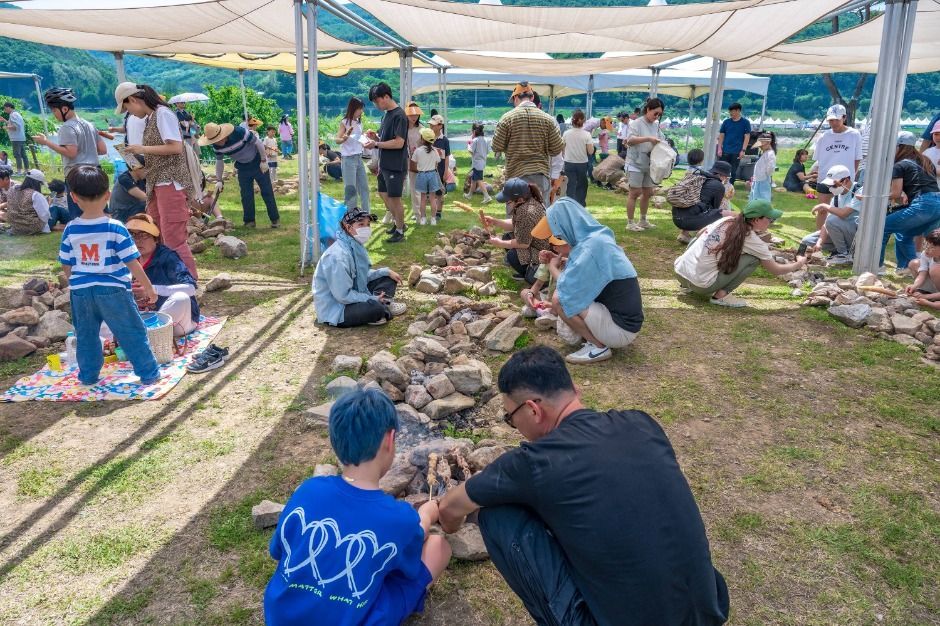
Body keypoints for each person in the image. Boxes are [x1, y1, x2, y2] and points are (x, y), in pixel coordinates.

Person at [438, 346, 729, 625]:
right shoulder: (641, 423)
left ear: (532, 410)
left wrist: (447, 528)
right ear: (574, 389)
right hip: (707, 610)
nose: (514, 428)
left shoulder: (535, 463)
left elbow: (452, 508)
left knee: (497, 516)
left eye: (510, 418)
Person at [264, 389, 451, 626]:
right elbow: (415, 540)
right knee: (438, 546)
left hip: (282, 616)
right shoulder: (398, 518)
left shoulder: (308, 490)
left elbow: (278, 552)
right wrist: (426, 514)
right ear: (389, 440)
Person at [58, 165, 160, 386]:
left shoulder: (71, 229)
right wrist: (149, 287)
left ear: (74, 197)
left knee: (86, 336)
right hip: (113, 291)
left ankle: (88, 376)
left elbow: (66, 264)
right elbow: (132, 262)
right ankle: (149, 373)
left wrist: (73, 282)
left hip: (81, 292)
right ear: (108, 195)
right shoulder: (115, 227)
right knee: (131, 332)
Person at [530, 198, 644, 364]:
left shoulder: (591, 247)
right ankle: (596, 338)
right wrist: (560, 260)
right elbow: (589, 270)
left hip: (621, 330)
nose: (557, 235)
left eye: (556, 230)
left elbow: (567, 287)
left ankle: (598, 347)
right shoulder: (596, 238)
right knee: (564, 298)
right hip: (626, 323)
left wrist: (552, 266)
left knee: (560, 299)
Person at [116, 82, 199, 279]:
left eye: (127, 108)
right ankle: (169, 276)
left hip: (170, 182)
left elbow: (175, 147)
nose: (130, 113)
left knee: (174, 238)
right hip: (158, 183)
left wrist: (142, 149)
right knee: (158, 233)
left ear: (134, 100)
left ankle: (189, 281)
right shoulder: (153, 117)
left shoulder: (163, 114)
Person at [675, 199, 808, 308]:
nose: (771, 223)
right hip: (701, 286)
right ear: (756, 220)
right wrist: (799, 263)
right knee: (753, 259)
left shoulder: (725, 220)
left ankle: (685, 285)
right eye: (770, 219)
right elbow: (776, 270)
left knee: (701, 239)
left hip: (679, 273)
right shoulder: (751, 239)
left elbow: (698, 234)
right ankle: (720, 296)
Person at [312, 207, 407, 327]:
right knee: (376, 308)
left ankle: (382, 304)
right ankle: (380, 307)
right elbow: (343, 296)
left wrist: (386, 272)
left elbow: (361, 275)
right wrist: (372, 298)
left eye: (368, 224)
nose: (366, 228)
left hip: (354, 293)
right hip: (338, 308)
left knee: (388, 278)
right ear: (348, 227)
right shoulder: (337, 256)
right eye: (361, 224)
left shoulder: (354, 245)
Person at [33, 87, 106, 221]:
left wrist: (46, 142)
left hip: (77, 176)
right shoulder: (89, 124)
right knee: (100, 214)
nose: (54, 114)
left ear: (64, 109)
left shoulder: (67, 127)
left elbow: (71, 153)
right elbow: (102, 150)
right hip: (96, 172)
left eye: (54, 110)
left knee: (79, 217)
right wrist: (87, 150)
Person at [124, 213, 199, 338]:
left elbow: (190, 288)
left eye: (143, 235)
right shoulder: (128, 260)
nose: (137, 240)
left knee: (181, 298)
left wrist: (152, 289)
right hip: (140, 319)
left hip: (174, 323)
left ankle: (143, 336)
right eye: (133, 235)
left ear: (156, 238)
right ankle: (143, 335)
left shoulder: (168, 257)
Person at [492, 82, 564, 204]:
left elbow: (496, 146)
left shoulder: (507, 118)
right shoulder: (548, 120)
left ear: (515, 98)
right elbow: (557, 148)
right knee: (540, 216)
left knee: (516, 217)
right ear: (532, 97)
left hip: (515, 177)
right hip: (540, 175)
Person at [200, 121, 280, 230]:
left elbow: (258, 143)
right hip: (242, 166)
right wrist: (219, 180)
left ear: (222, 135)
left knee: (267, 191)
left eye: (218, 139)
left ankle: (275, 219)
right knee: (246, 195)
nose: (217, 142)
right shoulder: (216, 146)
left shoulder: (239, 132)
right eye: (213, 141)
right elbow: (219, 161)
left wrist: (263, 160)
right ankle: (249, 221)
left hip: (257, 161)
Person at [879, 131, 940, 274]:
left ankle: (876, 266)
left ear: (899, 147)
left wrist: (873, 197)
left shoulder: (899, 165)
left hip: (924, 203)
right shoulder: (925, 160)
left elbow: (895, 193)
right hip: (937, 203)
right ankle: (909, 267)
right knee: (905, 234)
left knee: (883, 226)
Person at [483, 178, 551, 285]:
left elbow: (523, 243)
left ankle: (532, 275)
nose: (506, 204)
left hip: (543, 253)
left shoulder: (526, 212)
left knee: (512, 255)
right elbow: (516, 225)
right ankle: (527, 270)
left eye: (508, 201)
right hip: (537, 246)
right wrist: (495, 221)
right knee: (507, 238)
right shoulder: (529, 201)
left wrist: (499, 243)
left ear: (519, 200)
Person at [365, 82, 409, 243]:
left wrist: (376, 144)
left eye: (377, 101)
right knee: (384, 194)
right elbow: (386, 139)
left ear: (386, 97)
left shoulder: (399, 115)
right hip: (385, 164)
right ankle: (399, 223)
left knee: (395, 198)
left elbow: (399, 143)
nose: (376, 105)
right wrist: (375, 138)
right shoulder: (386, 115)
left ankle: (400, 230)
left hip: (395, 165)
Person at [800, 165, 862, 266]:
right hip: (841, 233)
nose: (830, 189)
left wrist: (824, 205)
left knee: (833, 220)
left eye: (833, 185)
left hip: (856, 236)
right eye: (829, 186)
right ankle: (838, 251)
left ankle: (843, 254)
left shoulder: (858, 191)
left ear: (845, 180)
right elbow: (827, 223)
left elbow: (844, 214)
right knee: (807, 240)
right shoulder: (836, 198)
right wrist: (819, 243)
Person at [625, 97, 666, 232]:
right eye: (655, 113)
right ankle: (630, 222)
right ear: (648, 109)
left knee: (648, 193)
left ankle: (643, 220)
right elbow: (630, 140)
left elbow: (661, 139)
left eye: (659, 114)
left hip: (650, 164)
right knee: (634, 192)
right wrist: (648, 138)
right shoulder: (636, 123)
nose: (657, 116)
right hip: (635, 162)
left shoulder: (655, 126)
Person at [673, 157, 735, 244]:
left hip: (676, 217)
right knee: (722, 213)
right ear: (724, 176)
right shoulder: (719, 186)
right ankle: (701, 240)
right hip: (689, 221)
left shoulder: (698, 177)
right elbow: (715, 210)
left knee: (694, 207)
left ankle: (684, 234)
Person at [813, 104, 862, 205]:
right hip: (825, 178)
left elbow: (857, 158)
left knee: (843, 210)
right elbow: (818, 160)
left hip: (845, 180)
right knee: (822, 209)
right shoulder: (823, 137)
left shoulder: (854, 135)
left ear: (844, 118)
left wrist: (852, 176)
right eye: (831, 120)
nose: (834, 123)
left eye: (837, 120)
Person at [336, 96, 370, 214]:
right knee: (351, 189)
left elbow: (358, 138)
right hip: (348, 159)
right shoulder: (344, 122)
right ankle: (351, 215)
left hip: (359, 158)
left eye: (362, 109)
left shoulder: (359, 122)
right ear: (353, 108)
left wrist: (366, 137)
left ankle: (366, 214)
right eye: (360, 109)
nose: (361, 112)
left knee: (364, 188)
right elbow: (337, 140)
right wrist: (345, 137)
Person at [561, 109, 595, 207]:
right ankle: (580, 205)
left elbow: (562, 149)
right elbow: (590, 151)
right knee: (582, 185)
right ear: (583, 121)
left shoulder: (566, 133)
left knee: (570, 185)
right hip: (582, 163)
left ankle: (570, 205)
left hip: (569, 162)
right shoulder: (587, 134)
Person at [2, 169, 50, 235]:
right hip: (31, 227)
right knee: (55, 210)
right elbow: (45, 216)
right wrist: (48, 203)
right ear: (37, 183)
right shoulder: (35, 194)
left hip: (15, 227)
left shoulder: (12, 189)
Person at [411, 127, 442, 226]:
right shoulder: (435, 151)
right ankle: (433, 219)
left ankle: (423, 219)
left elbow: (413, 162)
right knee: (433, 198)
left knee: (423, 198)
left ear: (422, 139)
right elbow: (438, 162)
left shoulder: (418, 151)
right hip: (432, 174)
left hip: (422, 175)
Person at [716, 103, 751, 185]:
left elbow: (747, 137)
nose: (730, 113)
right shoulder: (726, 122)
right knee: (722, 169)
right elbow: (721, 136)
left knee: (733, 171)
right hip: (725, 150)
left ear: (738, 111)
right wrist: (719, 148)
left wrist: (743, 150)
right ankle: (719, 186)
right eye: (730, 111)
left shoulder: (745, 122)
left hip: (737, 151)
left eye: (732, 111)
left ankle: (729, 188)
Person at [906, 228, 940, 308]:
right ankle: (926, 292)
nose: (927, 249)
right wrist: (914, 286)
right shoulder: (926, 254)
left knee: (935, 269)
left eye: (932, 247)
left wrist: (925, 298)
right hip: (935, 284)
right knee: (914, 263)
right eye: (926, 245)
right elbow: (922, 273)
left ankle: (931, 297)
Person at [429, 114, 450, 222]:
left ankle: (438, 213)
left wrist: (446, 172)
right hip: (429, 169)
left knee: (440, 193)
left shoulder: (444, 140)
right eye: (430, 125)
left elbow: (446, 157)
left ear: (440, 126)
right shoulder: (428, 138)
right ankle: (432, 212)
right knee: (431, 193)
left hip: (440, 170)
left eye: (433, 125)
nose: (431, 127)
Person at [404, 102, 424, 214]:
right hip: (402, 160)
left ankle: (418, 213)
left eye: (416, 115)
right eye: (411, 115)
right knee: (398, 188)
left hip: (415, 162)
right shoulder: (401, 127)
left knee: (415, 188)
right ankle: (393, 213)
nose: (414, 117)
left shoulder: (422, 129)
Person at [466, 123, 492, 203]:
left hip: (477, 163)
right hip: (482, 162)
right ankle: (469, 195)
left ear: (474, 132)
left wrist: (468, 144)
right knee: (474, 179)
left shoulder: (475, 140)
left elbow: (471, 151)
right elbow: (488, 151)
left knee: (479, 180)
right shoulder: (486, 140)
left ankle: (487, 196)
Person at [748, 132, 776, 202]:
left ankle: (762, 211)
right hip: (758, 179)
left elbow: (770, 168)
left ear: (768, 143)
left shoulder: (770, 154)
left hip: (763, 180)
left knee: (763, 198)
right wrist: (755, 176)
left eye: (761, 145)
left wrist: (764, 176)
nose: (760, 147)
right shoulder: (765, 153)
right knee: (755, 197)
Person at [3, 102, 28, 175]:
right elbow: (14, 124)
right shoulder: (17, 114)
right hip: (21, 137)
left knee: (17, 154)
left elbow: (15, 127)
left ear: (9, 107)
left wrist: (6, 127)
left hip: (16, 138)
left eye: (5, 108)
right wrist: (5, 120)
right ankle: (26, 170)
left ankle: (19, 171)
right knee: (23, 155)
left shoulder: (13, 115)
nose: (5, 110)